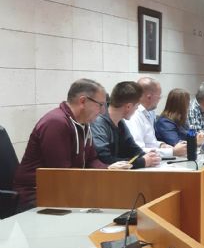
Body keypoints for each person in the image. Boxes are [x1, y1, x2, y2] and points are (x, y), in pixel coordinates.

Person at [13, 79, 116, 211]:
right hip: (36, 195)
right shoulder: (56, 123)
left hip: (63, 190)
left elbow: (92, 160)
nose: (103, 111)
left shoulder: (84, 124)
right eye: (100, 105)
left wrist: (109, 171)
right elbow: (62, 173)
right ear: (83, 101)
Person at [92, 81, 162, 168]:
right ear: (128, 106)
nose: (136, 110)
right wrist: (142, 161)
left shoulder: (120, 122)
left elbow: (133, 148)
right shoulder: (98, 122)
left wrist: (148, 157)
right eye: (136, 107)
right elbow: (104, 159)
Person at [125, 77, 187, 157]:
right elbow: (138, 150)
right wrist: (172, 152)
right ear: (149, 97)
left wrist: (161, 145)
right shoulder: (134, 116)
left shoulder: (150, 113)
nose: (159, 100)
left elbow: (149, 142)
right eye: (159, 97)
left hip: (153, 158)